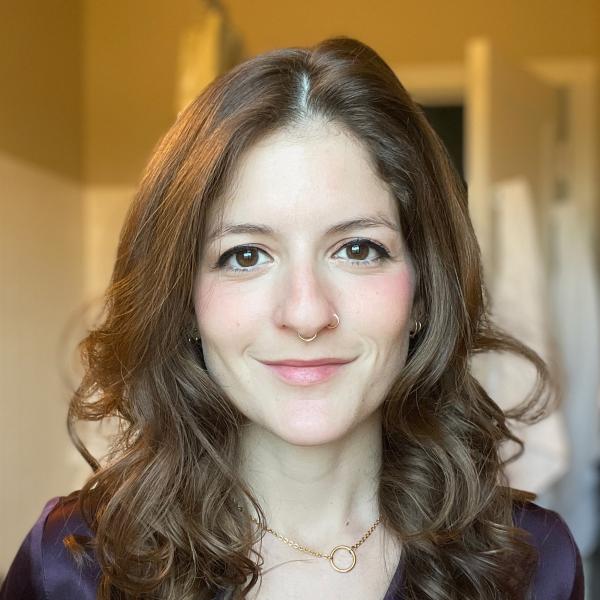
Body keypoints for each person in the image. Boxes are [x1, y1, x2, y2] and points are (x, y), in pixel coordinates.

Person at [1, 37, 584, 600]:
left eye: (357, 249)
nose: (306, 313)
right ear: (184, 300)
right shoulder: (72, 569)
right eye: (245, 256)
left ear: (424, 292)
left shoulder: (532, 566)